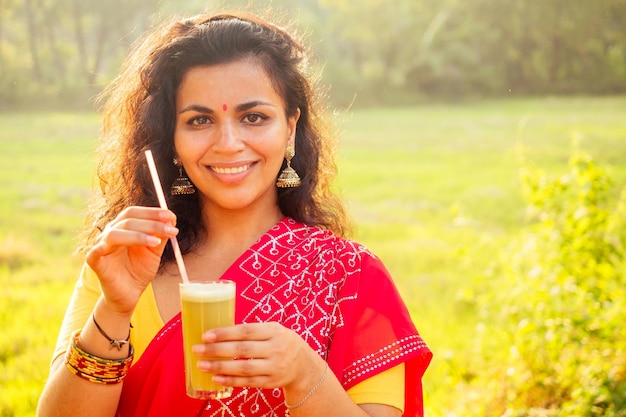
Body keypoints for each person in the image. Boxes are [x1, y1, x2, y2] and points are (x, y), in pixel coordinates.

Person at [37, 10, 431, 417]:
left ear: (290, 128)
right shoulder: (125, 266)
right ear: (173, 137)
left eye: (253, 117)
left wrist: (303, 373)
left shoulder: (348, 276)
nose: (228, 143)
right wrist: (116, 310)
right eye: (200, 120)